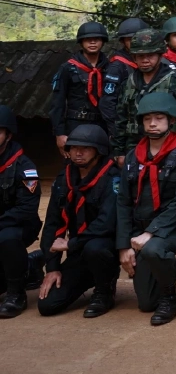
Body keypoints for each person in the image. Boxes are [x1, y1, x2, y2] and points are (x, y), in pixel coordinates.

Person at [116, 92, 176, 324]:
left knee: (153, 250)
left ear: (171, 121)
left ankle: (170, 298)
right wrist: (124, 245)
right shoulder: (134, 156)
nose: (152, 124)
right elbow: (123, 200)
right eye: (147, 119)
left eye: (159, 118)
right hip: (141, 230)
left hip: (173, 228)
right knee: (145, 303)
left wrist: (150, 233)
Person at [36, 124, 120, 317]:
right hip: (77, 251)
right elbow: (52, 223)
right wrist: (53, 267)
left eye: (85, 148)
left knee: (95, 248)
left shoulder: (112, 178)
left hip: (105, 248)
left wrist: (71, 243)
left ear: (98, 151)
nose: (78, 153)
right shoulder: (64, 177)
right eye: (73, 148)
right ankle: (34, 269)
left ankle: (104, 291)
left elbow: (107, 223)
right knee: (48, 305)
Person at [107, 28, 176, 157]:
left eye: (150, 55)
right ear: (134, 57)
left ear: (160, 55)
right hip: (134, 148)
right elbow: (121, 119)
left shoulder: (175, 81)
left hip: (169, 147)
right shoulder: (129, 83)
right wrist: (119, 151)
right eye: (140, 56)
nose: (145, 60)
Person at [0, 106, 42, 318]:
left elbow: (26, 209)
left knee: (6, 237)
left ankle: (17, 294)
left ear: (8, 135)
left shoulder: (24, 167)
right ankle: (30, 267)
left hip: (18, 226)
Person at [51, 21, 112, 146]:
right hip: (76, 124)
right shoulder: (68, 68)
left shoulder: (111, 68)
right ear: (81, 42)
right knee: (76, 161)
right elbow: (58, 103)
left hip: (103, 125)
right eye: (88, 39)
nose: (92, 42)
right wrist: (60, 133)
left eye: (97, 39)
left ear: (103, 41)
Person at [100, 18, 148, 130]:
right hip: (127, 127)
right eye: (131, 39)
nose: (136, 43)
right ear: (123, 41)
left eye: (140, 38)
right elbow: (108, 104)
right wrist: (116, 131)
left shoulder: (152, 60)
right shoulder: (118, 66)